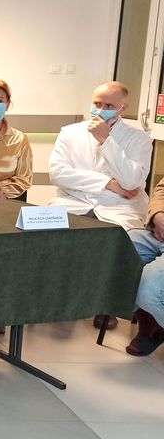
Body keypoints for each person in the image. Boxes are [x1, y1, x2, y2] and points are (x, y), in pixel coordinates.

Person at [49, 80, 152, 330]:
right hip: (74, 203)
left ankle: (107, 305)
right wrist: (109, 184)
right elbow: (58, 174)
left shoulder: (139, 139)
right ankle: (56, 299)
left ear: (123, 108)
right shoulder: (70, 133)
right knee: (47, 237)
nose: (100, 109)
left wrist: (106, 141)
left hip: (119, 208)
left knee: (122, 245)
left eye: (109, 106)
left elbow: (132, 181)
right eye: (97, 103)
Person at [126, 178, 164, 356]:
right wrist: (158, 216)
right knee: (120, 252)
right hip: (158, 236)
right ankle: (150, 322)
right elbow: (162, 189)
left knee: (147, 288)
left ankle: (155, 323)